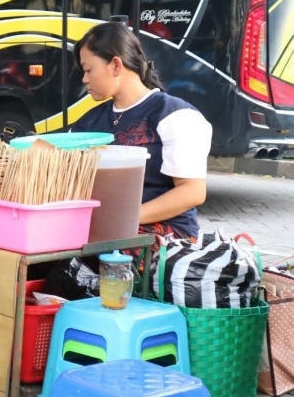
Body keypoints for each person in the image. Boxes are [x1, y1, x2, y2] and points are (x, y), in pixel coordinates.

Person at [71, 22, 212, 241]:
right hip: (103, 227)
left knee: (94, 253)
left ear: (116, 65)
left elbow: (192, 191)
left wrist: (125, 218)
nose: (85, 79)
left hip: (164, 233)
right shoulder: (88, 122)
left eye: (89, 69)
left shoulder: (175, 115)